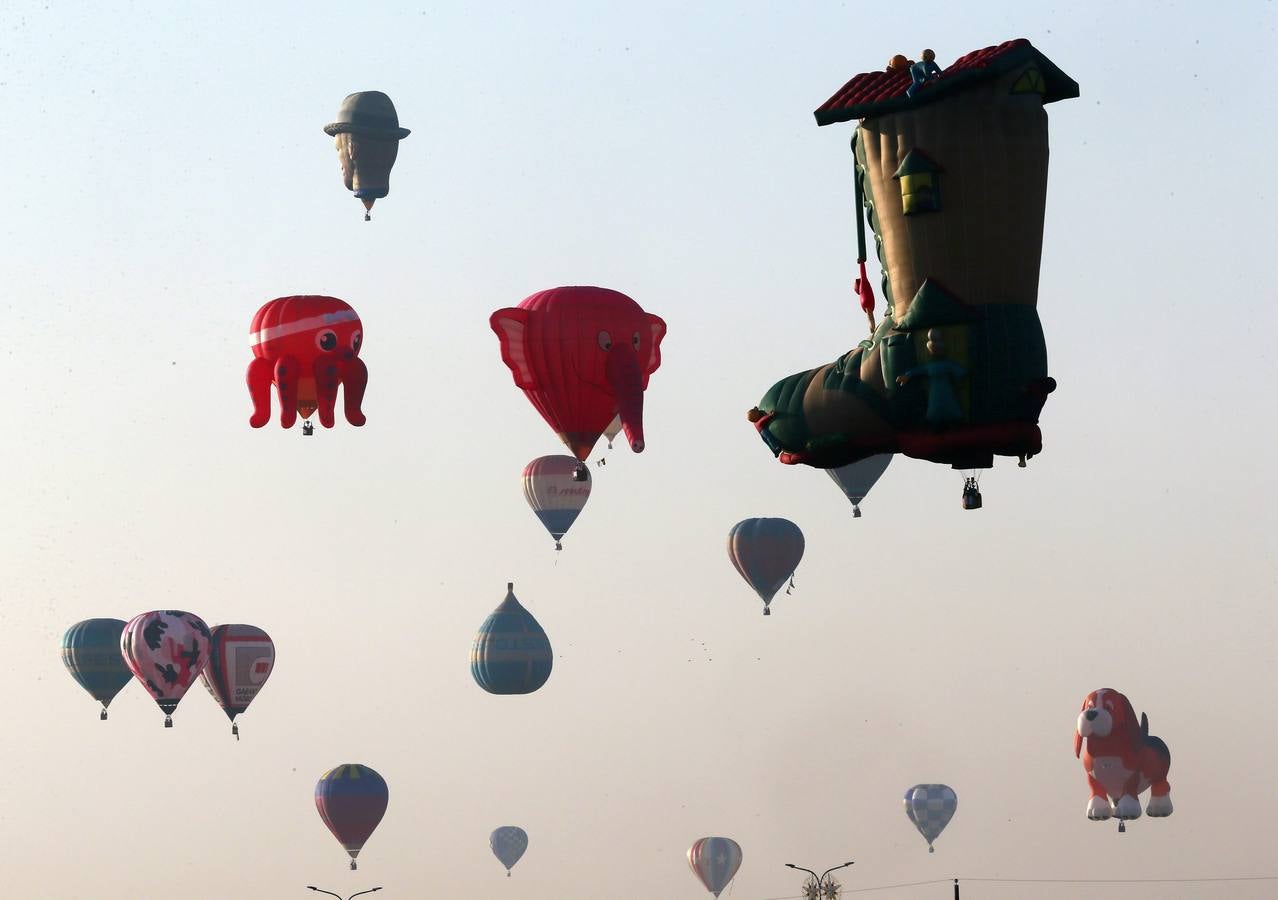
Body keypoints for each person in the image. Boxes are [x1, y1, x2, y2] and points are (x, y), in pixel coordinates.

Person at [896, 328, 965, 427]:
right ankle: (937, 424)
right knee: (935, 408)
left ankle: (954, 422)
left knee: (950, 406)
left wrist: (960, 379)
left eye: (938, 350)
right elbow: (918, 370)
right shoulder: (930, 366)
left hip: (945, 389)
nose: (935, 352)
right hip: (936, 391)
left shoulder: (946, 364)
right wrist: (907, 375)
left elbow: (959, 370)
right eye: (934, 350)